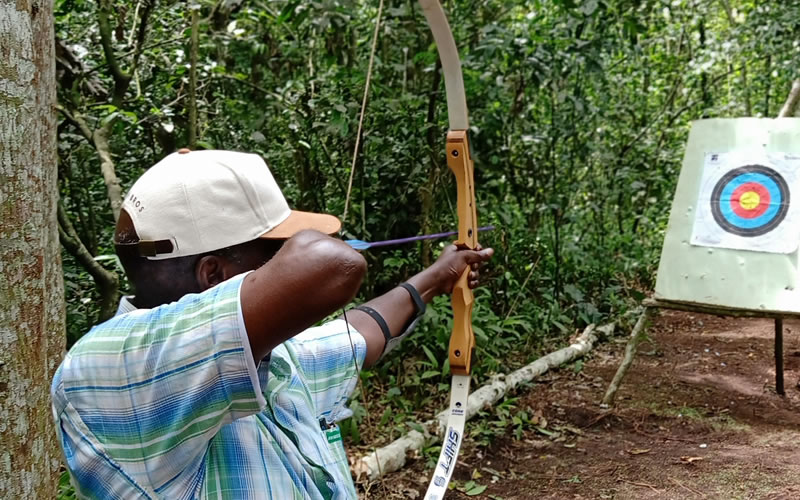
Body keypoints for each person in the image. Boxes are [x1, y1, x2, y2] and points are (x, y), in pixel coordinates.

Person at [51, 149, 493, 499]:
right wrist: (323, 254)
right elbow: (330, 264)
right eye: (273, 252)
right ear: (214, 275)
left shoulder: (268, 360)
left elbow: (361, 333)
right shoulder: (105, 369)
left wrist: (438, 276)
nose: (281, 263)